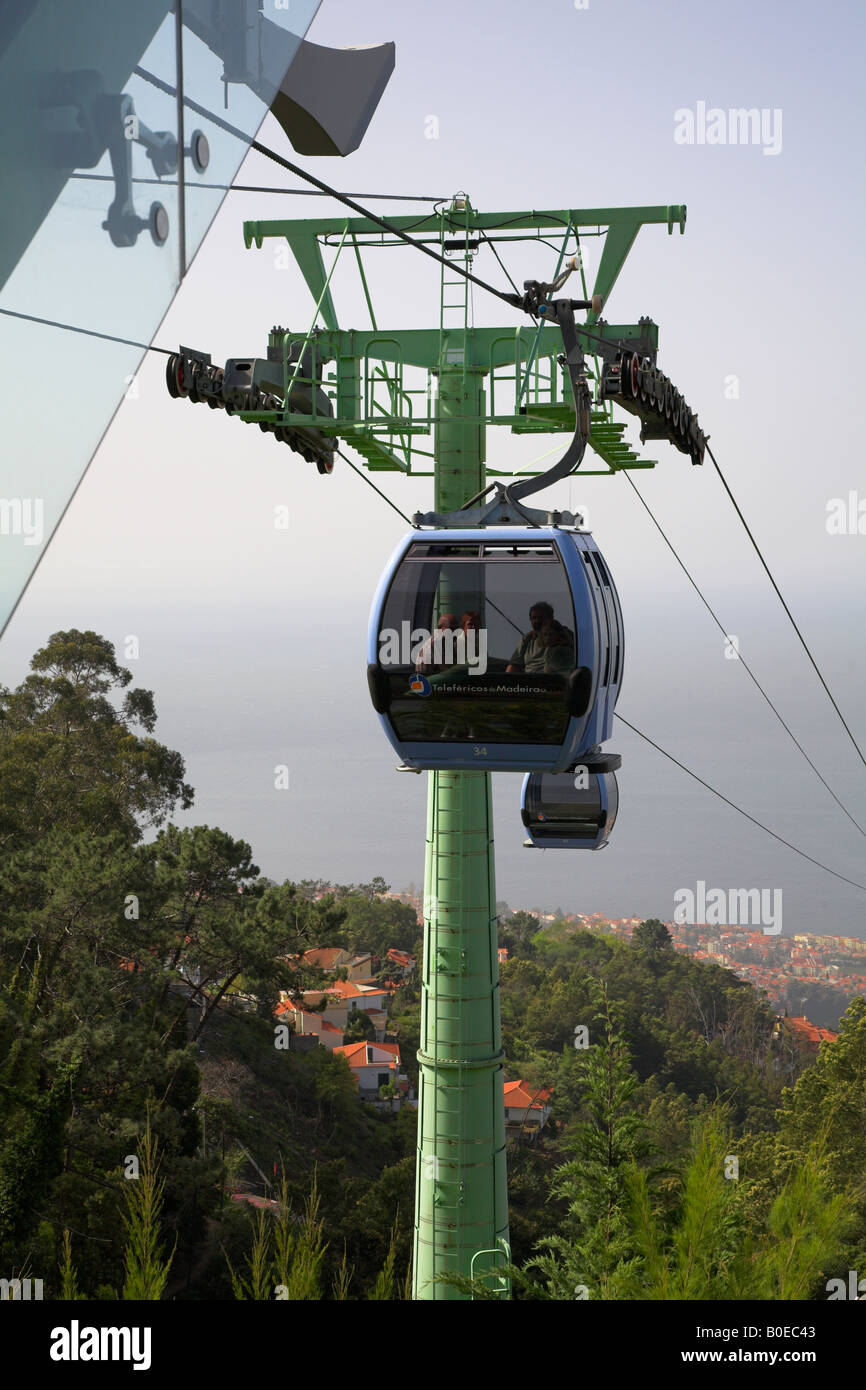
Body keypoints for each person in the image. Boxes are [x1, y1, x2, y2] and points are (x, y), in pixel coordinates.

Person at [507, 601, 574, 674]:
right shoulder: (527, 639)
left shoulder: (563, 635)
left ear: (550, 618)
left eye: (541, 617)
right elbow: (514, 665)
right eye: (534, 618)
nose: (537, 621)